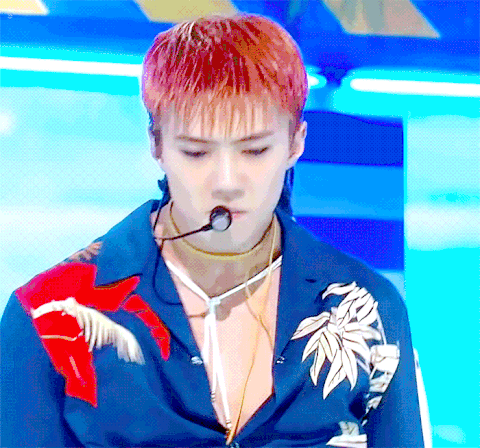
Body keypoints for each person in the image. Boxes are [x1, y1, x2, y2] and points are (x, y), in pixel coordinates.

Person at [0, 13, 426, 448]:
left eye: (254, 150)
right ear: (156, 144)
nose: (226, 181)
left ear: (296, 143)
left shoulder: (370, 308)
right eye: (196, 152)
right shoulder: (45, 315)